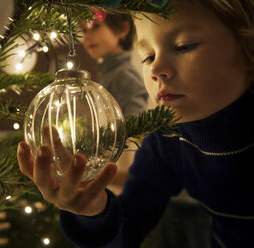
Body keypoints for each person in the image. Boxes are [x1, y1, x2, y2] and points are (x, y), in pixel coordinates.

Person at [17, 0, 254, 247]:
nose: (156, 69)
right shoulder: (168, 140)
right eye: (148, 57)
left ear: (248, 47)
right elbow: (127, 228)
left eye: (184, 46)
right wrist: (93, 210)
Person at [80, 10, 149, 194]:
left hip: (123, 173)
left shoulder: (123, 75)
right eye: (84, 30)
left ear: (122, 29)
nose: (88, 36)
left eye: (95, 26)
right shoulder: (108, 73)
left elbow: (136, 124)